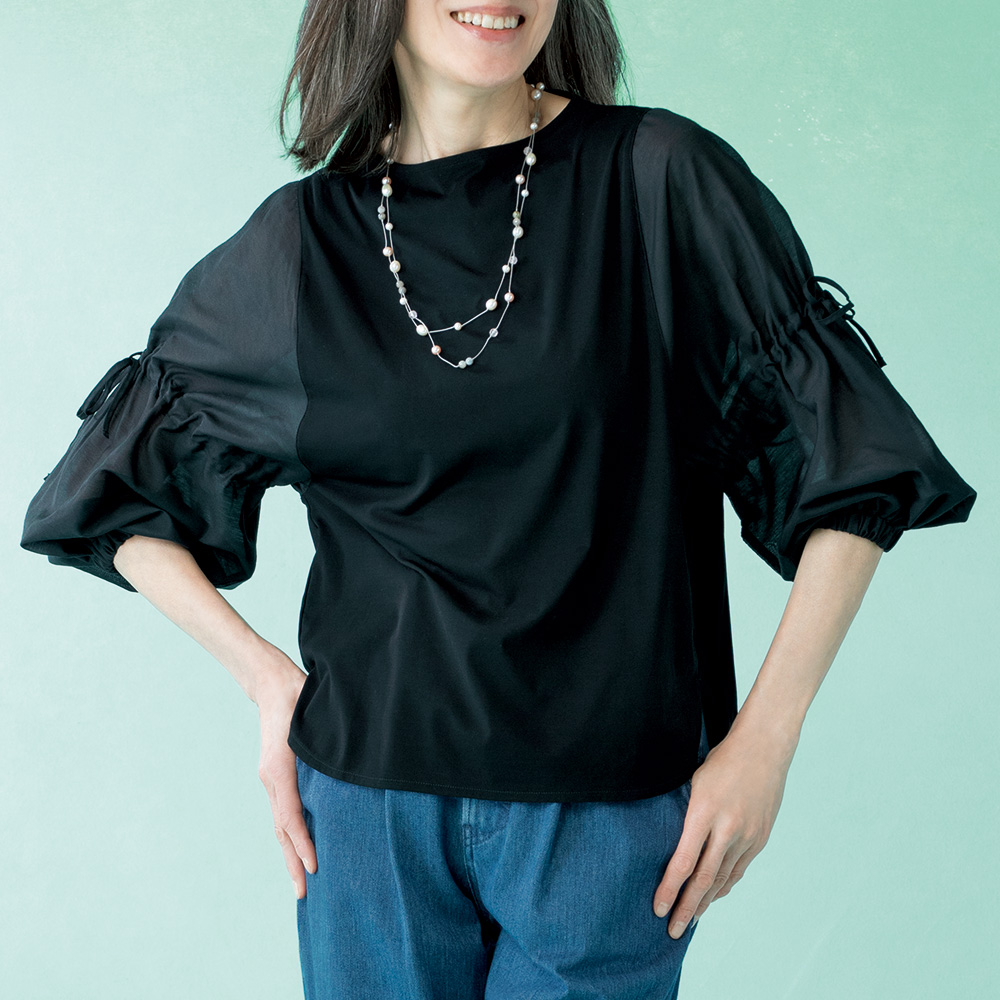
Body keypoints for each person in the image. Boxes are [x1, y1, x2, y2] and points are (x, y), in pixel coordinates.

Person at [20, 1, 977, 997]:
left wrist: (765, 743)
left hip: (607, 814)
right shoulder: (301, 242)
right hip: (368, 809)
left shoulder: (656, 179)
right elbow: (109, 493)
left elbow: (853, 464)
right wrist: (267, 682)